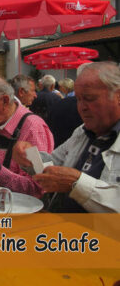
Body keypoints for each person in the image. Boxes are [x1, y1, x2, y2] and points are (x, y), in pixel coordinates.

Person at [12, 62, 120, 213]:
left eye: (89, 98)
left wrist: (77, 183)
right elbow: (53, 165)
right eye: (79, 99)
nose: (82, 107)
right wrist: (30, 156)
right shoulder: (82, 132)